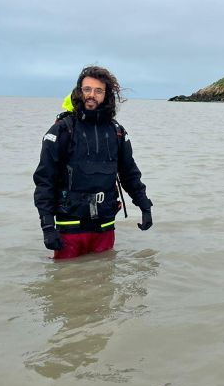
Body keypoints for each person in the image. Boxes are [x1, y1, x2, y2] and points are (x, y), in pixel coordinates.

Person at [33, 65, 153, 259]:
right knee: (64, 285)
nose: (92, 95)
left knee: (104, 283)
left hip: (105, 225)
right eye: (87, 89)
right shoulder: (62, 130)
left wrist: (144, 205)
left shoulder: (117, 132)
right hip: (69, 227)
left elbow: (129, 172)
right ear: (79, 92)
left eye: (98, 91)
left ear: (106, 95)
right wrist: (47, 225)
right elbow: (44, 179)